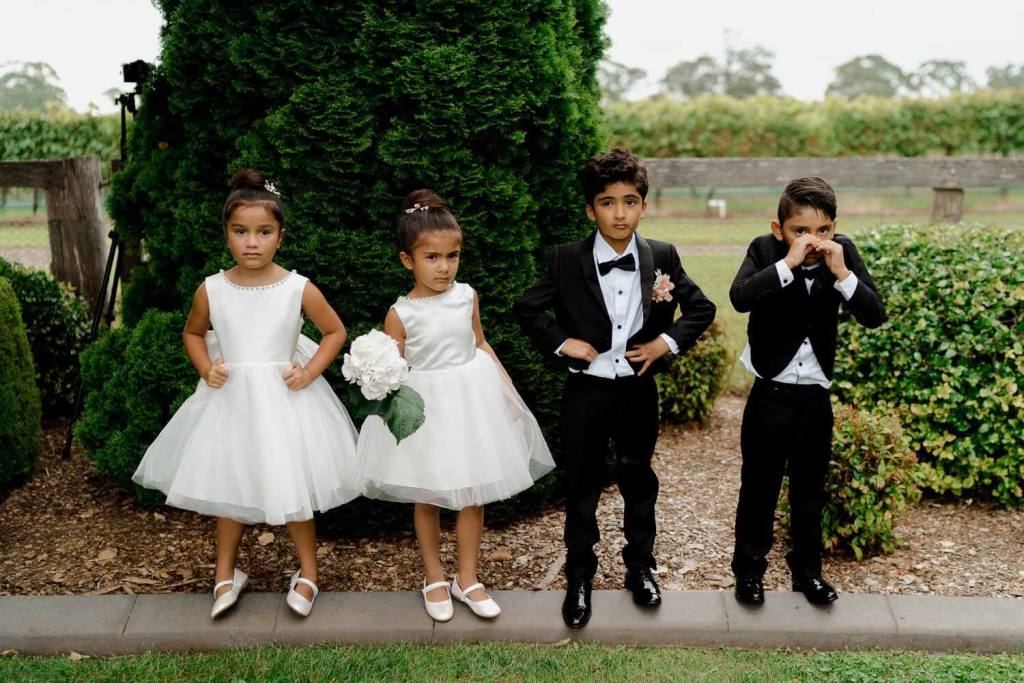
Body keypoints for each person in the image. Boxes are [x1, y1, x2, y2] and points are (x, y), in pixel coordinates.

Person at [133, 169, 361, 619]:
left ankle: (308, 571)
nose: (252, 242)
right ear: (227, 235)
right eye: (241, 232)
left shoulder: (297, 287)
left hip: (285, 403)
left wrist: (311, 370)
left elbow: (335, 331)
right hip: (231, 403)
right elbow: (193, 333)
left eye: (263, 232)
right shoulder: (212, 289)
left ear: (280, 236)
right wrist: (206, 367)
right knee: (229, 486)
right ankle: (226, 572)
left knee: (293, 487)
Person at [514, 147, 716, 629]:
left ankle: (640, 567)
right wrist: (565, 343)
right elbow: (527, 309)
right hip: (586, 393)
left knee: (637, 477)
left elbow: (702, 308)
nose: (619, 213)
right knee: (581, 482)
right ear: (591, 209)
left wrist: (665, 343)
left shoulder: (662, 256)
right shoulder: (566, 259)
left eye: (630, 201)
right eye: (607, 202)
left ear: (643, 205)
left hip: (637, 392)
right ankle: (580, 574)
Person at [357, 189, 555, 622]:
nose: (444, 267)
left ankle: (467, 578)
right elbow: (394, 371)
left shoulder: (467, 296)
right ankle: (433, 575)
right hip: (426, 412)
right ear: (407, 260)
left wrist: (506, 395)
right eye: (432, 257)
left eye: (453, 256)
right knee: (427, 495)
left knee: (472, 493)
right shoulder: (401, 313)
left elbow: (480, 343)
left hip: (471, 403)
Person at [729, 176, 886, 607]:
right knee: (758, 485)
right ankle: (748, 572)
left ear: (834, 228)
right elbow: (740, 297)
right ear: (780, 229)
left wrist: (843, 275)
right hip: (770, 394)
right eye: (800, 231)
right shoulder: (764, 249)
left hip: (814, 397)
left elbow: (875, 314)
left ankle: (807, 573)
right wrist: (786, 265)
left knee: (809, 490)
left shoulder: (844, 254)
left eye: (822, 231)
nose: (812, 241)